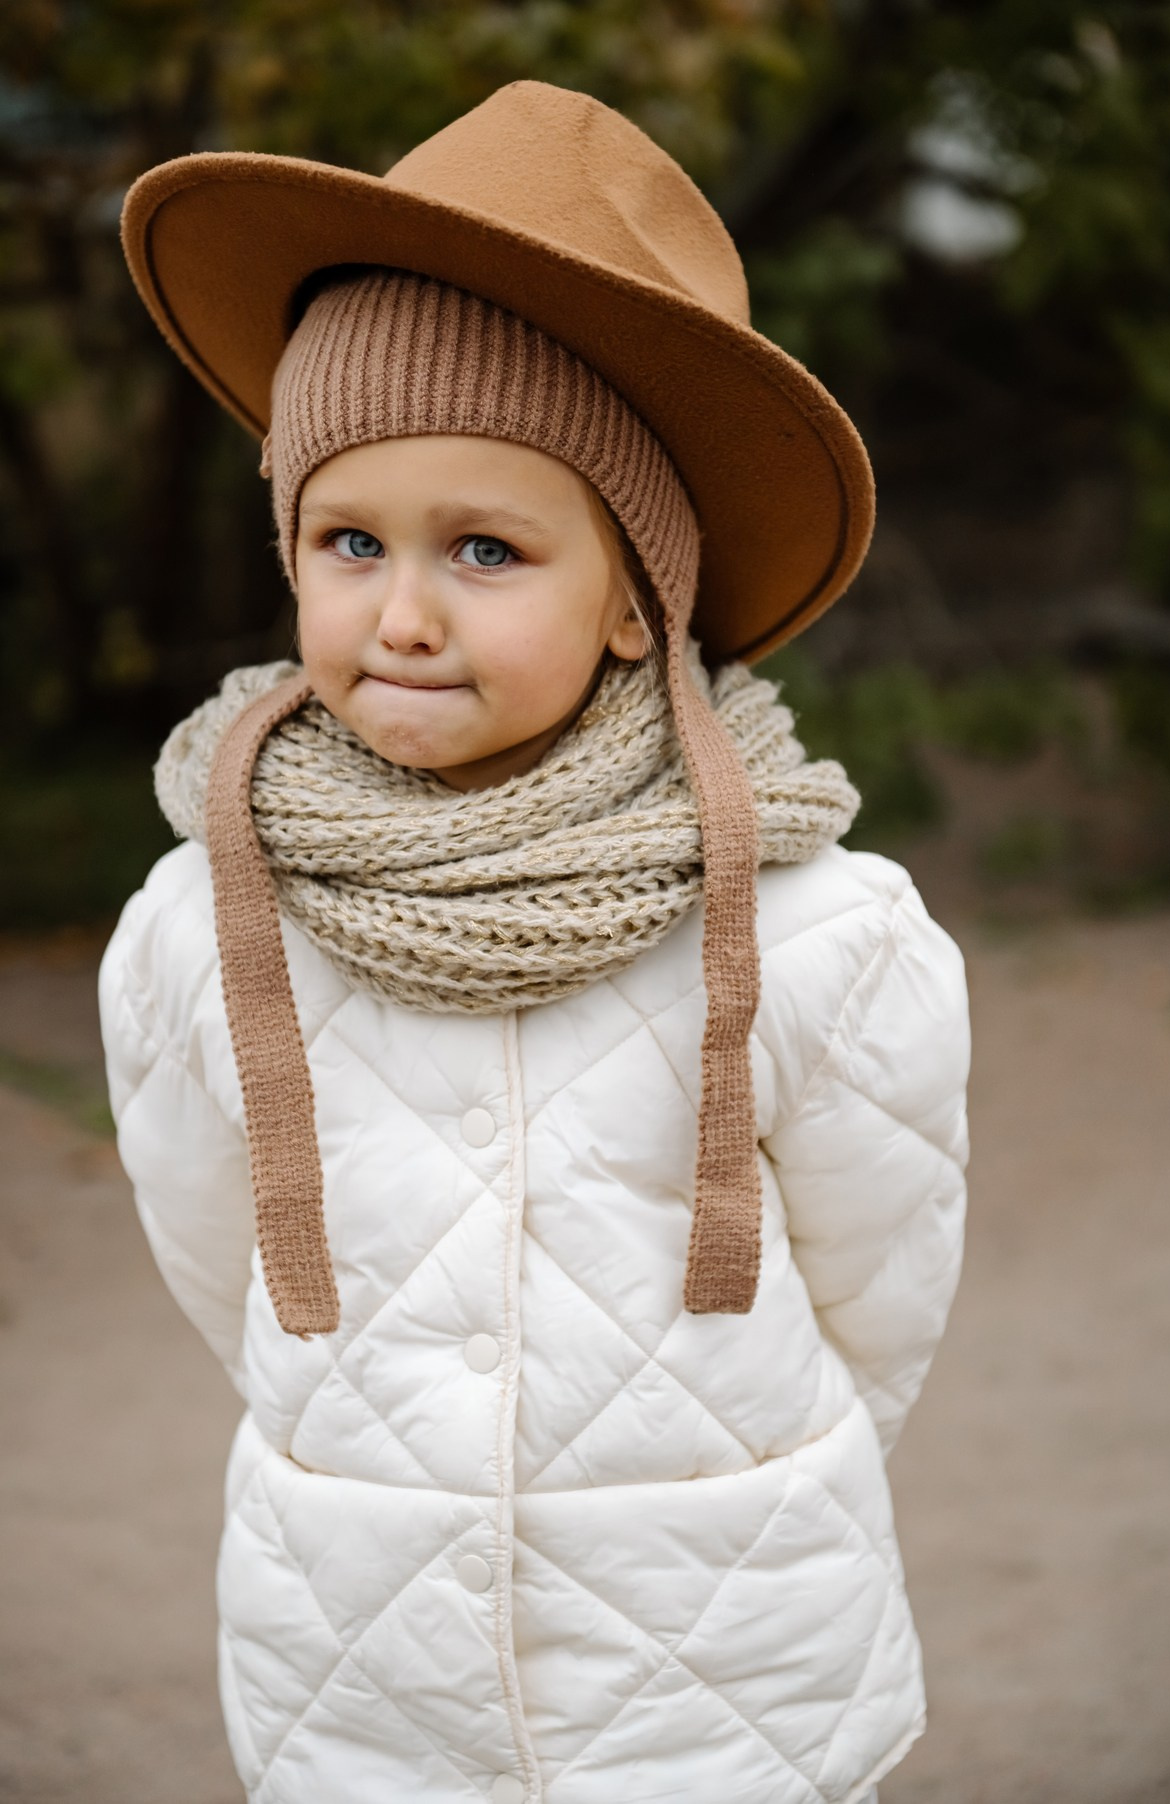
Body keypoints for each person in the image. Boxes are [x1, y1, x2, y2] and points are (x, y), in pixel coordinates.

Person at [100, 79, 970, 1804]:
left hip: (728, 1686)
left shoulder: (823, 927)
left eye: (486, 549)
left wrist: (738, 1484)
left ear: (639, 592)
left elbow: (884, 1285)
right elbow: (223, 1254)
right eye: (350, 542)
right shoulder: (204, 916)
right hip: (364, 1680)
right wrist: (363, 1457)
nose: (402, 612)